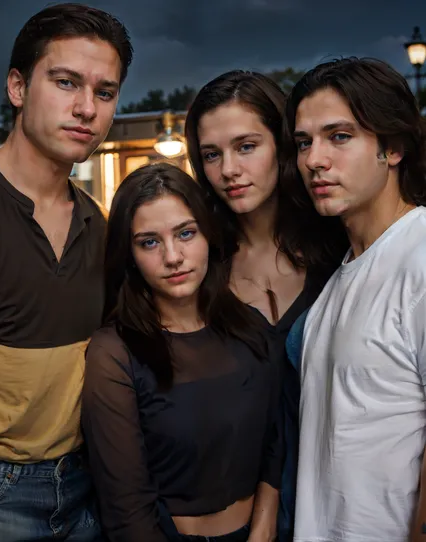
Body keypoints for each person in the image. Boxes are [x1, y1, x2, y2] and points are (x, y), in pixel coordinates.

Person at [0, 3, 132, 540]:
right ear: (17, 87)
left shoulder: (97, 222)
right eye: (65, 82)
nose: (85, 108)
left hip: (83, 485)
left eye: (104, 92)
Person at [184, 70, 347, 541]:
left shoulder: (340, 246)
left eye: (246, 146)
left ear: (281, 144)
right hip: (237, 511)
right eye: (211, 154)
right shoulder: (200, 267)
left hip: (341, 497)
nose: (229, 170)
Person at [82, 162, 283, 542]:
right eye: (150, 242)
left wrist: (264, 526)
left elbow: (277, 439)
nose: (172, 257)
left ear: (208, 235)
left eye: (186, 233)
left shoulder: (253, 328)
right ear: (129, 255)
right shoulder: (114, 353)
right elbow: (125, 507)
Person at [282, 57, 426, 542]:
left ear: (394, 148)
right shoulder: (340, 277)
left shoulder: (421, 252)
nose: (314, 159)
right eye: (304, 142)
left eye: (339, 137)